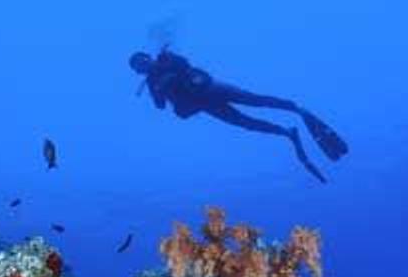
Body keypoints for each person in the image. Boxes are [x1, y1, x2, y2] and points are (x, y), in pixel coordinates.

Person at [129, 48, 348, 183]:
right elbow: (159, 106)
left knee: (255, 100)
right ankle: (286, 132)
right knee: (247, 123)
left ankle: (295, 109)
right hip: (207, 105)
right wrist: (159, 87)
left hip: (213, 90)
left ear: (147, 57)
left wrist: (167, 60)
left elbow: (186, 64)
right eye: (138, 66)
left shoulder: (165, 58)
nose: (143, 65)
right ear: (138, 72)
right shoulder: (151, 83)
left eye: (142, 60)